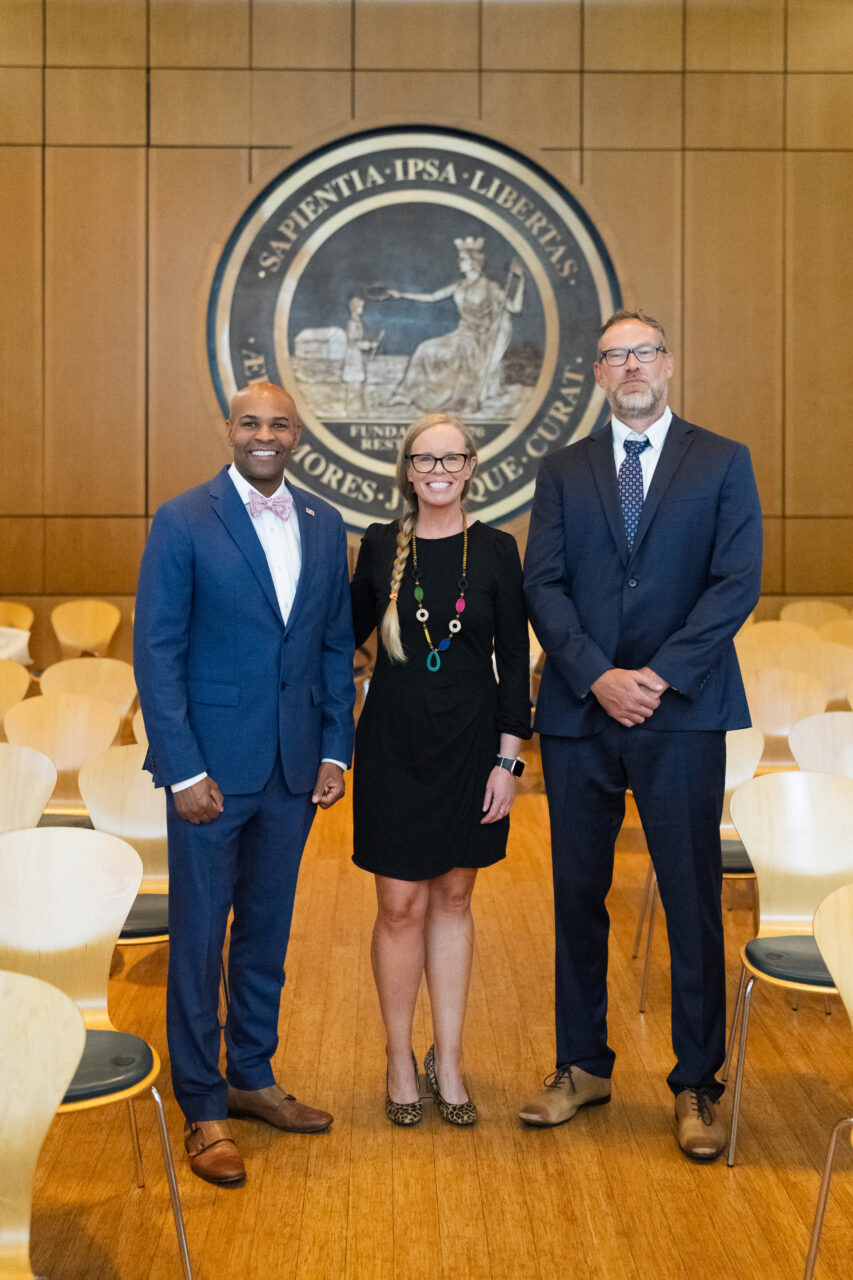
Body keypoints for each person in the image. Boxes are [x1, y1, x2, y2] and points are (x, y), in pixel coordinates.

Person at [520, 310, 762, 1161]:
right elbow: (541, 585)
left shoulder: (721, 461)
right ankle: (581, 1065)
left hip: (683, 711)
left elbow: (736, 583)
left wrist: (654, 678)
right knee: (576, 897)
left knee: (692, 901)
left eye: (644, 352)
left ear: (668, 364)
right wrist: (595, 675)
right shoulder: (562, 468)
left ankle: (697, 1082)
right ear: (595, 374)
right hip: (581, 716)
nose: (630, 366)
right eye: (614, 356)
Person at [134, 381, 355, 1186]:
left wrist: (336, 748)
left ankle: (251, 1077)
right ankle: (202, 1107)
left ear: (298, 435)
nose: (265, 435)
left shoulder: (327, 526)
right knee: (196, 944)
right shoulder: (184, 519)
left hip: (295, 772)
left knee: (264, 936)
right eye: (250, 422)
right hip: (210, 776)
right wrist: (183, 766)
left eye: (279, 424)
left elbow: (334, 644)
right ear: (230, 430)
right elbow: (156, 652)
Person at [350, 412, 531, 1126]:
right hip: (394, 746)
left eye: (450, 458)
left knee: (454, 900)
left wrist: (508, 762)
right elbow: (337, 636)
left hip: (470, 745)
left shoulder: (493, 551)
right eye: (424, 459)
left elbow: (515, 659)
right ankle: (399, 1058)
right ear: (407, 469)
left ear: (470, 464)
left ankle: (446, 1058)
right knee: (399, 907)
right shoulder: (377, 547)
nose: (437, 470)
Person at [386, 237, 524, 414]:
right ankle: (405, 394)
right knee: (424, 348)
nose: (460, 263)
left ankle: (459, 400)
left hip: (477, 340)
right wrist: (402, 295)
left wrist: (521, 281)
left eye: (463, 260)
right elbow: (433, 297)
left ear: (474, 262)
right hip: (460, 334)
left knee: (458, 355)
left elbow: (515, 308)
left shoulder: (490, 287)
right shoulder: (459, 286)